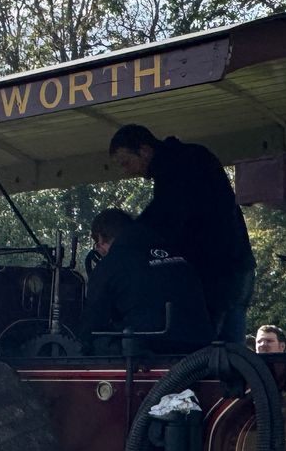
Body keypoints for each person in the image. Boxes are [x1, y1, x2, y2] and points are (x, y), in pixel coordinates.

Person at [109, 123, 255, 344]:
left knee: (206, 349)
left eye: (126, 162)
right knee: (233, 348)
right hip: (239, 265)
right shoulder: (193, 157)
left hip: (215, 274)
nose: (127, 171)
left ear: (145, 150)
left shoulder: (174, 170)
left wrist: (128, 239)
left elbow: (165, 219)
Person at [79, 207, 212, 355]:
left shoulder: (110, 265)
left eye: (97, 245)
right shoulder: (177, 253)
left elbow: (92, 323)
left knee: (96, 343)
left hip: (150, 349)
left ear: (101, 238)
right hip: (201, 348)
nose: (99, 250)